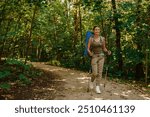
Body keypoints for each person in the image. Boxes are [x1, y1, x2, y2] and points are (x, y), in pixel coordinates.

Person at [87, 26, 111, 94]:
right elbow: (88, 48)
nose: (97, 31)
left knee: (100, 73)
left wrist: (107, 51)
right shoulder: (91, 39)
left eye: (98, 29)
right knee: (95, 73)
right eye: (96, 29)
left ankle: (97, 87)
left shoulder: (102, 38)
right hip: (94, 56)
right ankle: (91, 81)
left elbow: (104, 48)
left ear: (99, 31)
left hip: (101, 56)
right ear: (93, 31)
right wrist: (89, 53)